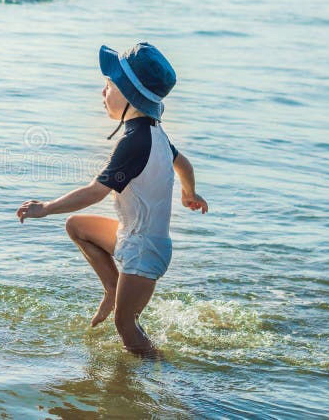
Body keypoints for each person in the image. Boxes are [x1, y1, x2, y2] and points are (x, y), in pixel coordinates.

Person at [16, 41, 208, 356]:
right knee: (77, 226)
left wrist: (45, 208)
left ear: (128, 93)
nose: (102, 93)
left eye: (108, 85)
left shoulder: (134, 142)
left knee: (125, 324)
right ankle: (111, 287)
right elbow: (183, 164)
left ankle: (160, 369)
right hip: (133, 239)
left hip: (143, 252)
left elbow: (95, 191)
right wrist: (190, 191)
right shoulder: (156, 133)